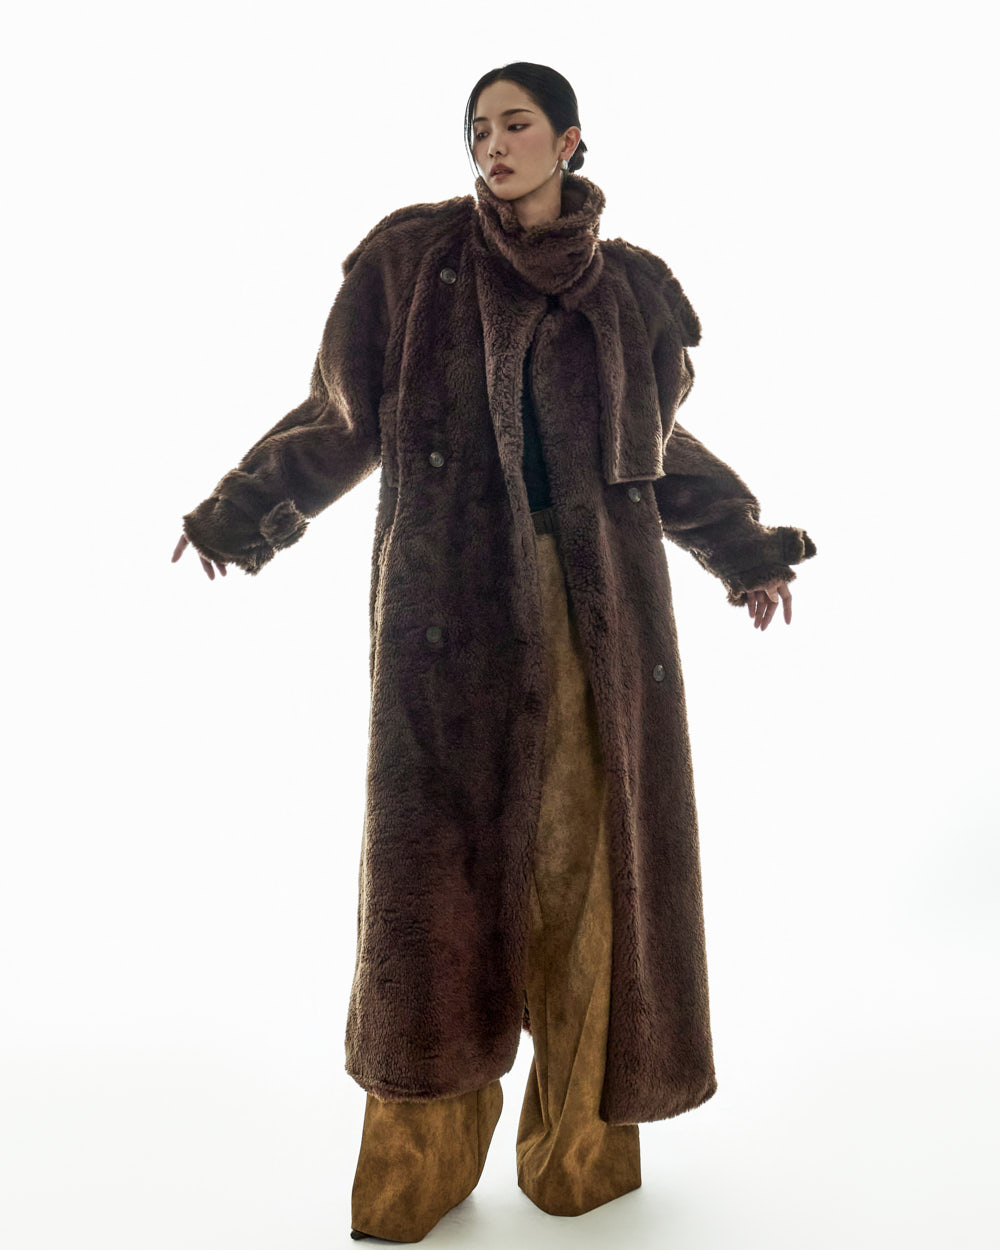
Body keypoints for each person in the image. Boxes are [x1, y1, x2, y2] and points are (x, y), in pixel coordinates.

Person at [174, 62, 816, 1243]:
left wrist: (745, 550)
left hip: (598, 622)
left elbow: (657, 447)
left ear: (568, 140)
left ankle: (578, 1160)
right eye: (478, 128)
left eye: (516, 124)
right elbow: (341, 415)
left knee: (591, 885)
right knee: (436, 897)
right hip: (450, 624)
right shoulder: (412, 263)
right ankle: (416, 1176)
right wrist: (241, 511)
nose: (492, 144)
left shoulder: (630, 290)